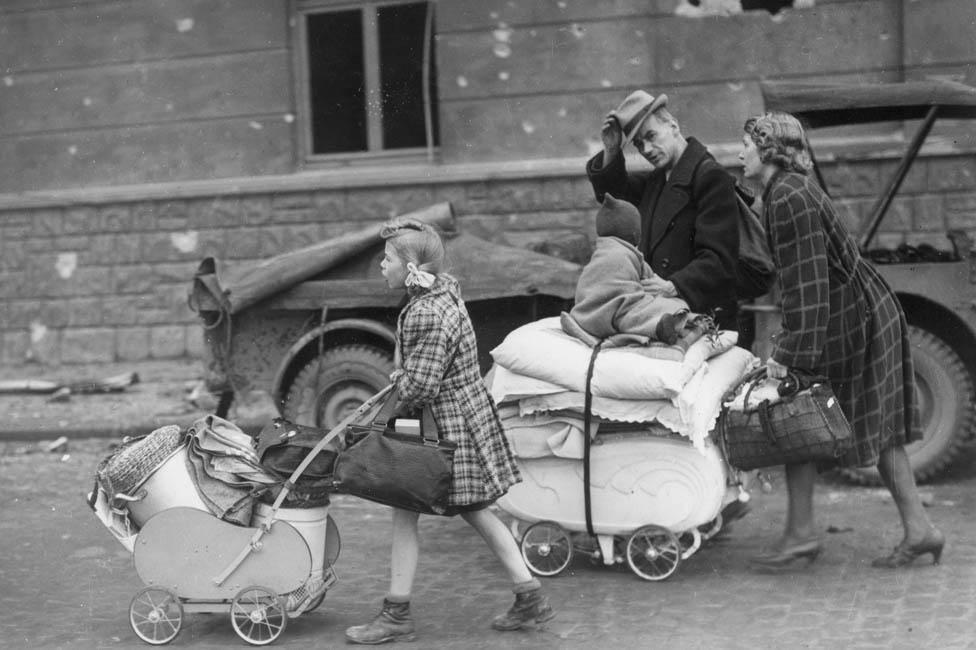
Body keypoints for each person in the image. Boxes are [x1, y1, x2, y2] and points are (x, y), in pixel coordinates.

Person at [739, 111, 944, 569]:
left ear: (769, 149)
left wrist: (791, 356)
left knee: (799, 417)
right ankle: (918, 530)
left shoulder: (788, 196)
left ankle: (803, 535)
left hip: (853, 317)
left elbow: (807, 285)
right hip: (858, 310)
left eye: (747, 144)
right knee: (842, 425)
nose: (740, 153)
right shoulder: (785, 190)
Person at [345, 218, 555, 644]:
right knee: (472, 508)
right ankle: (529, 597)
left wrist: (394, 389)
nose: (381, 267)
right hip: (455, 417)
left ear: (410, 265)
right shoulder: (442, 294)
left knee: (409, 504)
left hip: (443, 424)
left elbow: (421, 385)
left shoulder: (426, 312)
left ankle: (397, 614)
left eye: (387, 260)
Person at [585, 90, 740, 331]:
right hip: (665, 315)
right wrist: (612, 151)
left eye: (651, 135)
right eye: (638, 144)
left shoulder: (710, 176)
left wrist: (673, 285)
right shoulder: (657, 180)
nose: (646, 149)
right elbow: (614, 198)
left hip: (703, 318)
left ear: (673, 125)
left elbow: (720, 260)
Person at [565, 192, 694, 345]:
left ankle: (580, 325)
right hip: (616, 312)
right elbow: (649, 280)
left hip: (587, 313)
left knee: (630, 312)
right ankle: (659, 327)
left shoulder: (599, 253)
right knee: (647, 311)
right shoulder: (632, 254)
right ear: (635, 234)